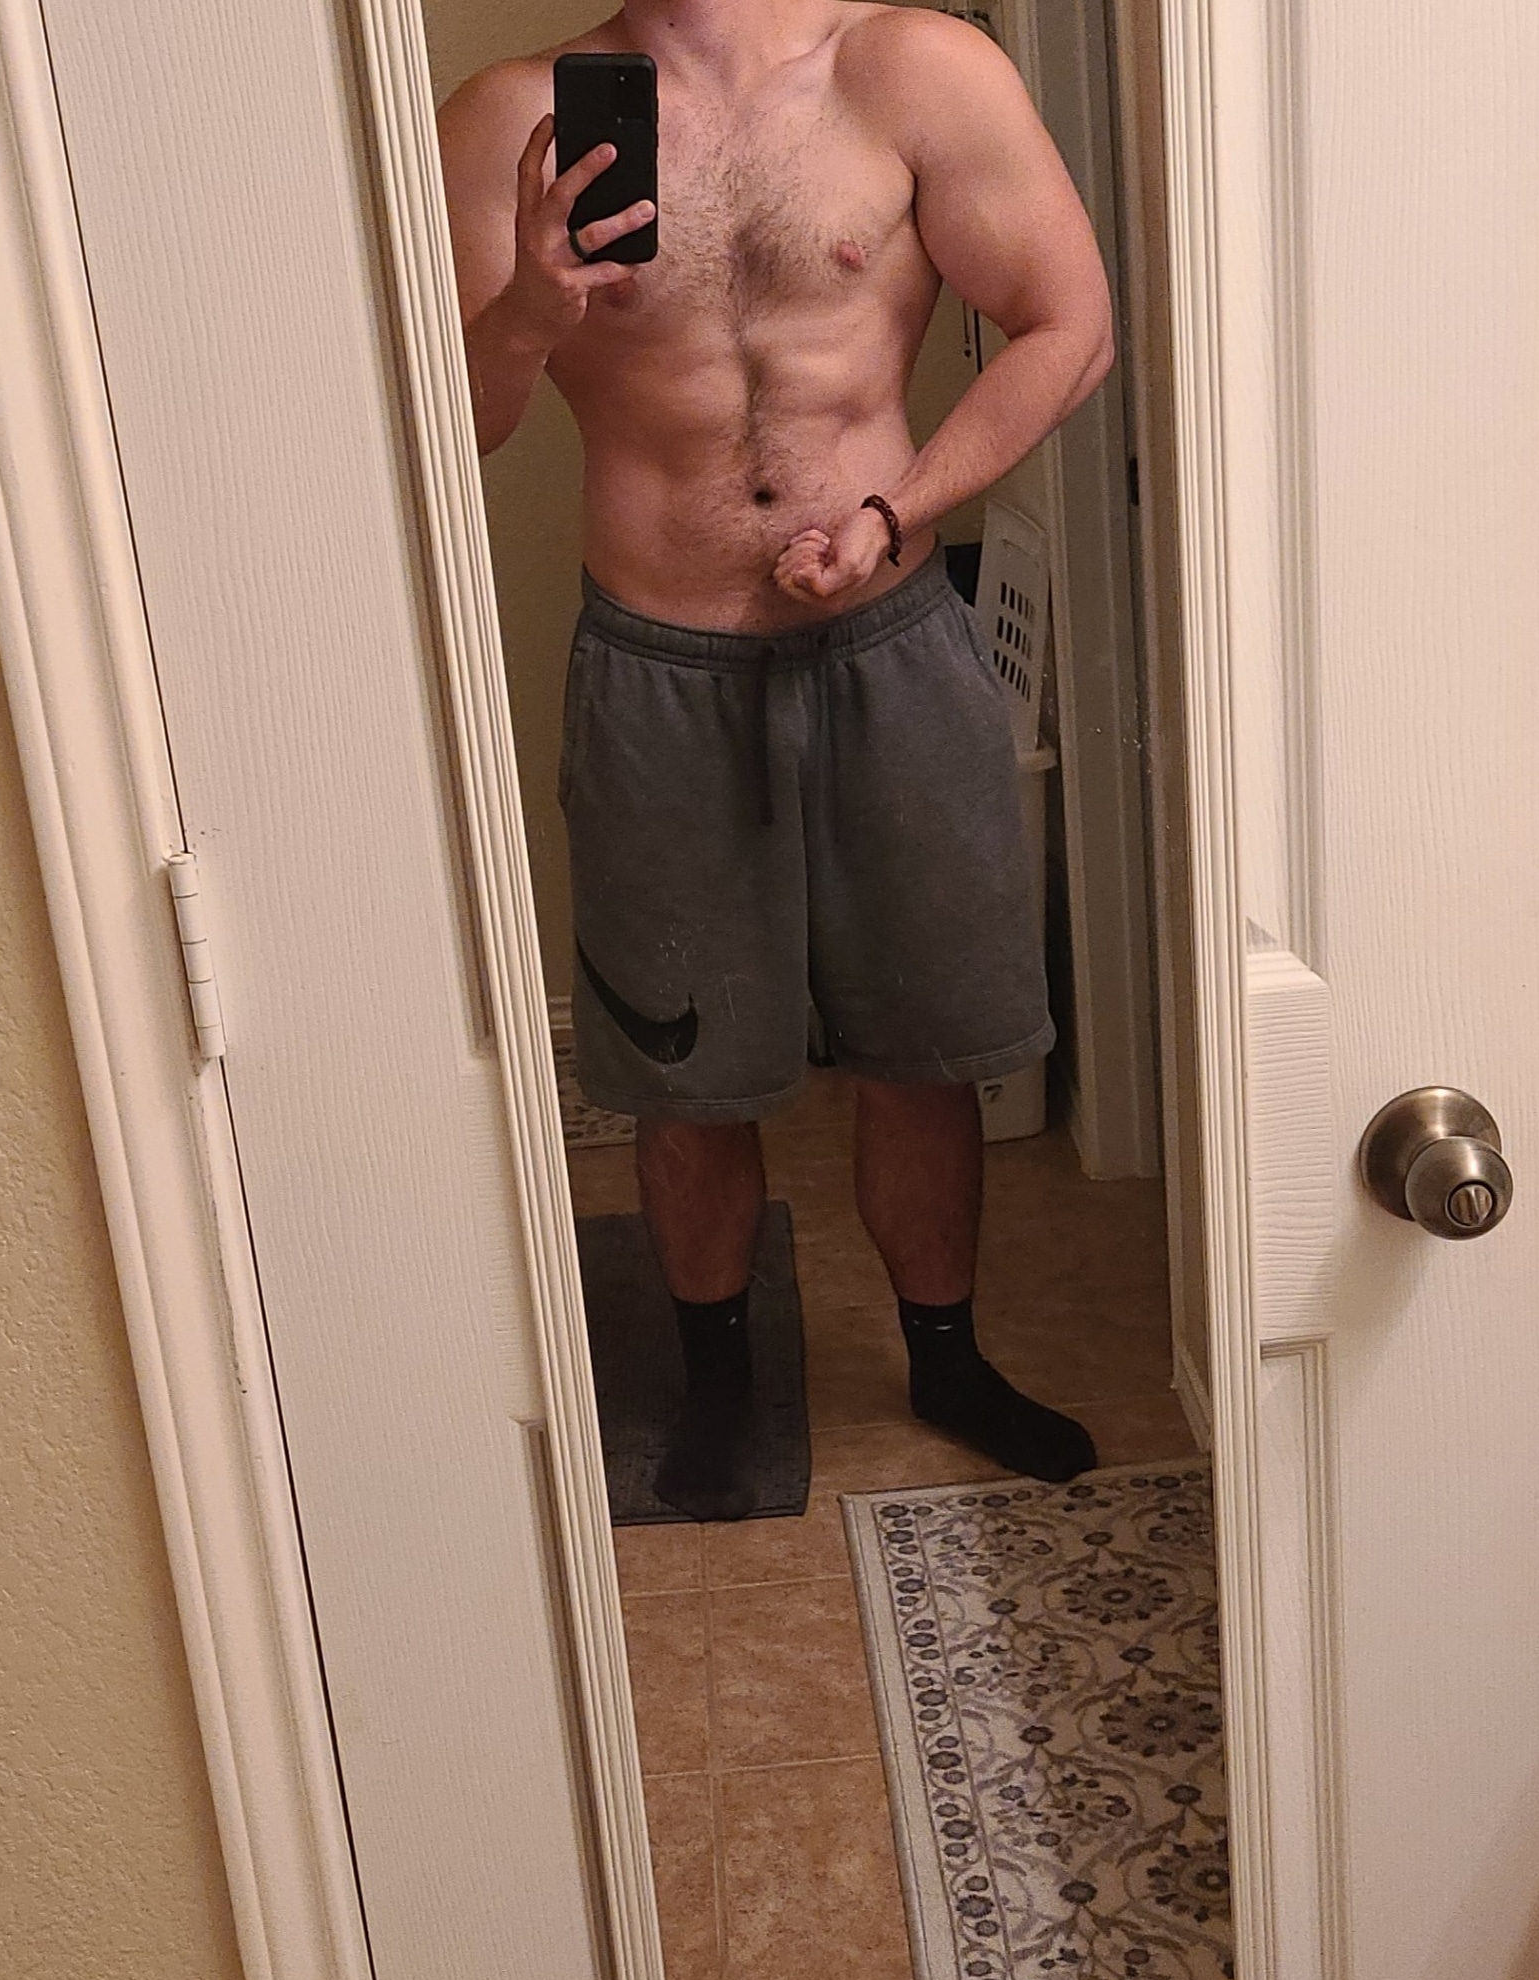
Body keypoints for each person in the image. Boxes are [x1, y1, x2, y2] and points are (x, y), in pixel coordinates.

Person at [439, 0, 1114, 1519]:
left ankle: (947, 1362)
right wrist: (532, 309)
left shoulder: (914, 73)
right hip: (658, 668)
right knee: (683, 1075)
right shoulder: (509, 120)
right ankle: (722, 1389)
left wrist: (896, 511)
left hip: (888, 643)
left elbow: (1071, 323)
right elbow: (447, 426)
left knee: (925, 1051)